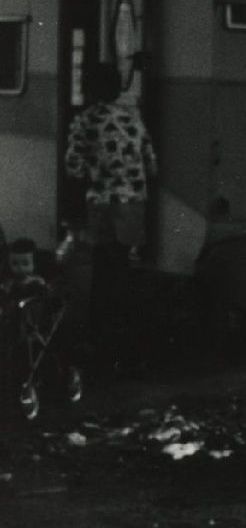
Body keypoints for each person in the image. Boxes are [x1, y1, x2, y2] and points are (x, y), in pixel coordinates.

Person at [63, 62, 158, 344]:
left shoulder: (84, 121)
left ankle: (99, 332)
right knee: (124, 265)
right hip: (133, 203)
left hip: (102, 203)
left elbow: (73, 167)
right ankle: (126, 333)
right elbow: (152, 165)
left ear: (89, 89)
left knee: (102, 267)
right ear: (118, 88)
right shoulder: (134, 118)